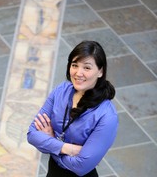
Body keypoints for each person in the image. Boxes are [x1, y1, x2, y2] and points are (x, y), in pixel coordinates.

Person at [27, 41, 118, 177]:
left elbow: (81, 167)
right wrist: (68, 148)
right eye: (74, 65)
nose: (78, 73)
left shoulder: (107, 116)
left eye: (87, 68)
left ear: (100, 71)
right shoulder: (61, 91)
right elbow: (32, 134)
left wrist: (51, 144)